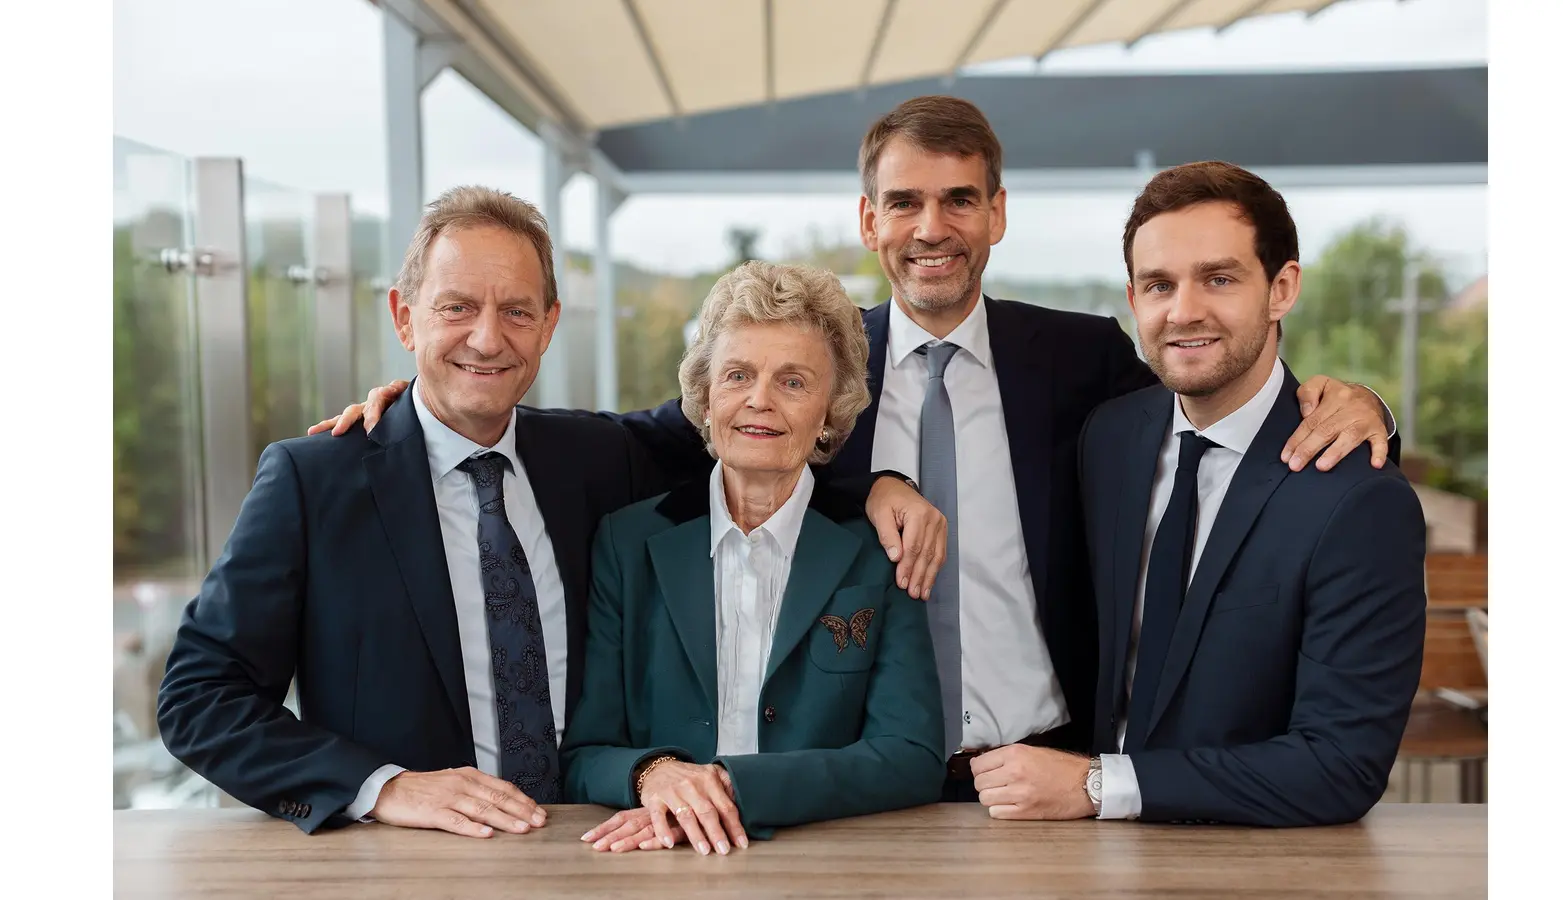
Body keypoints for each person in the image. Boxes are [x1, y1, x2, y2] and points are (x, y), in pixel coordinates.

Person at [313, 95, 1397, 803]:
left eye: (959, 199)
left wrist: (1360, 403)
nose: (933, 226)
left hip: (1056, 765)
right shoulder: (807, 366)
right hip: (877, 782)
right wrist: (422, 400)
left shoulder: (1082, 361)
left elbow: (1211, 388)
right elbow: (639, 435)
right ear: (869, 220)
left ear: (996, 214)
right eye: (905, 203)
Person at [157, 186, 936, 837]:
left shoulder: (597, 460)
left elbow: (756, 433)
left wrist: (878, 485)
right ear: (404, 317)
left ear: (550, 325)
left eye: (517, 312)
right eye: (456, 307)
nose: (486, 339)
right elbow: (199, 699)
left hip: (594, 849)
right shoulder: (313, 480)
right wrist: (382, 786)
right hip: (408, 868)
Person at [968, 161, 1426, 826]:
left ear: (1282, 287)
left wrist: (1099, 785)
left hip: (1259, 862)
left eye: (1219, 278)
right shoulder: (1112, 438)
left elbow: (1342, 765)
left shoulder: (1357, 500)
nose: (1183, 311)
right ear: (1133, 301)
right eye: (1159, 284)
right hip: (1078, 855)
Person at [564, 261, 944, 856]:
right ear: (707, 400)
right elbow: (586, 754)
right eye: (737, 375)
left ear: (830, 412)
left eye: (793, 382)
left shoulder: (879, 551)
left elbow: (912, 757)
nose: (759, 401)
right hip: (655, 856)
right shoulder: (627, 543)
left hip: (827, 860)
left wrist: (731, 787)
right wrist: (652, 773)